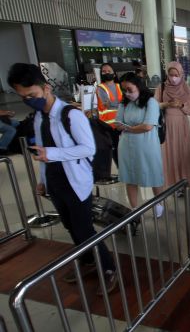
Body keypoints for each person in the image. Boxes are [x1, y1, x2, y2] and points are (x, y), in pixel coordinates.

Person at [8, 63, 117, 294]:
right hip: (55, 182)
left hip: (76, 182)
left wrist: (54, 154)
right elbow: (42, 151)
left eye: (32, 95)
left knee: (84, 229)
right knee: (70, 227)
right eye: (23, 97)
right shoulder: (39, 117)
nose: (29, 100)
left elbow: (88, 148)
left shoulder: (71, 115)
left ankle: (108, 269)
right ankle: (87, 262)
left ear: (46, 87)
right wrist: (42, 180)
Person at [115, 73, 165, 215]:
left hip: (146, 145)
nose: (127, 93)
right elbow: (118, 122)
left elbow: (148, 126)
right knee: (129, 176)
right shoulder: (124, 103)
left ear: (139, 86)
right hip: (127, 145)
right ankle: (134, 209)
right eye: (124, 90)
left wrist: (128, 128)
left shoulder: (151, 103)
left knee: (153, 174)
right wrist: (128, 127)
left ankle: (159, 203)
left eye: (130, 89)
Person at [158, 62, 190, 192]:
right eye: (171, 75)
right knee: (167, 155)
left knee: (182, 154)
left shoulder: (187, 90)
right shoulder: (162, 88)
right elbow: (154, 105)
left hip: (182, 126)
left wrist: (182, 105)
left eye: (177, 75)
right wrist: (167, 104)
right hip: (166, 125)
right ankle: (170, 184)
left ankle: (184, 183)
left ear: (181, 75)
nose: (174, 77)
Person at [96, 63, 122, 166]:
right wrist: (120, 103)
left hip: (121, 122)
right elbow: (107, 105)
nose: (106, 73)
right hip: (108, 125)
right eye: (104, 72)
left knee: (123, 147)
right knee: (115, 147)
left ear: (114, 73)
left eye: (109, 71)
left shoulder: (119, 86)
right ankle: (120, 169)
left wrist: (114, 104)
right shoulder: (100, 88)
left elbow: (122, 102)